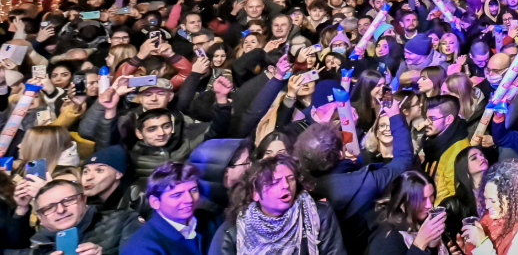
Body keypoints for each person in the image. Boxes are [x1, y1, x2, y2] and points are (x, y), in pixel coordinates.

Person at [294, 94, 415, 252]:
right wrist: (395, 117)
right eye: (343, 145)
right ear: (340, 154)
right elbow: (404, 160)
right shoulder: (365, 182)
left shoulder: (299, 187)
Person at [212, 153, 347, 255]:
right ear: (255, 193)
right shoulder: (231, 234)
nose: (286, 185)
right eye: (275, 182)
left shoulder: (318, 215)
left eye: (290, 178)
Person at [7, 176, 138, 255]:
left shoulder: (123, 220)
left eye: (68, 201)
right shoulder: (38, 245)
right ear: (40, 218)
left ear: (84, 200)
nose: (60, 210)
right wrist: (21, 208)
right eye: (49, 208)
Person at [122, 163, 215, 255]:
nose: (189, 199)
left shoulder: (210, 219)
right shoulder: (140, 248)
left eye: (194, 190)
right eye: (177, 195)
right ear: (155, 202)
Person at [368, 170, 447, 255]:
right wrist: (419, 244)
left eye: (431, 196)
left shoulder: (422, 220)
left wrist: (434, 248)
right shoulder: (386, 240)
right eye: (422, 200)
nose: (429, 205)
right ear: (402, 204)